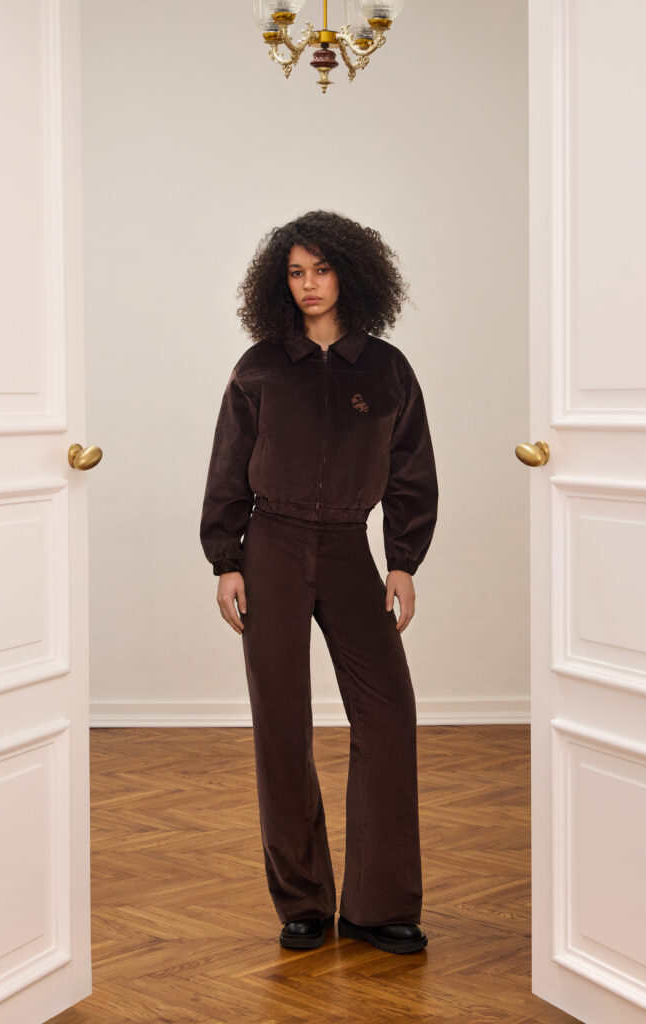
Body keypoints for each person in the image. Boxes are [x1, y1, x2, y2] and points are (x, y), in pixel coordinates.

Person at [199, 210, 438, 955]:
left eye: (322, 270)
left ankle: (377, 904)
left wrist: (403, 560)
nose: (309, 285)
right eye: (296, 272)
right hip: (269, 546)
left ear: (351, 276)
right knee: (281, 722)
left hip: (347, 547)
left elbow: (411, 472)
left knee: (387, 713)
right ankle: (302, 900)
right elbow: (227, 466)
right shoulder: (260, 367)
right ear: (280, 283)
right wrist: (225, 559)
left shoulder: (387, 369)